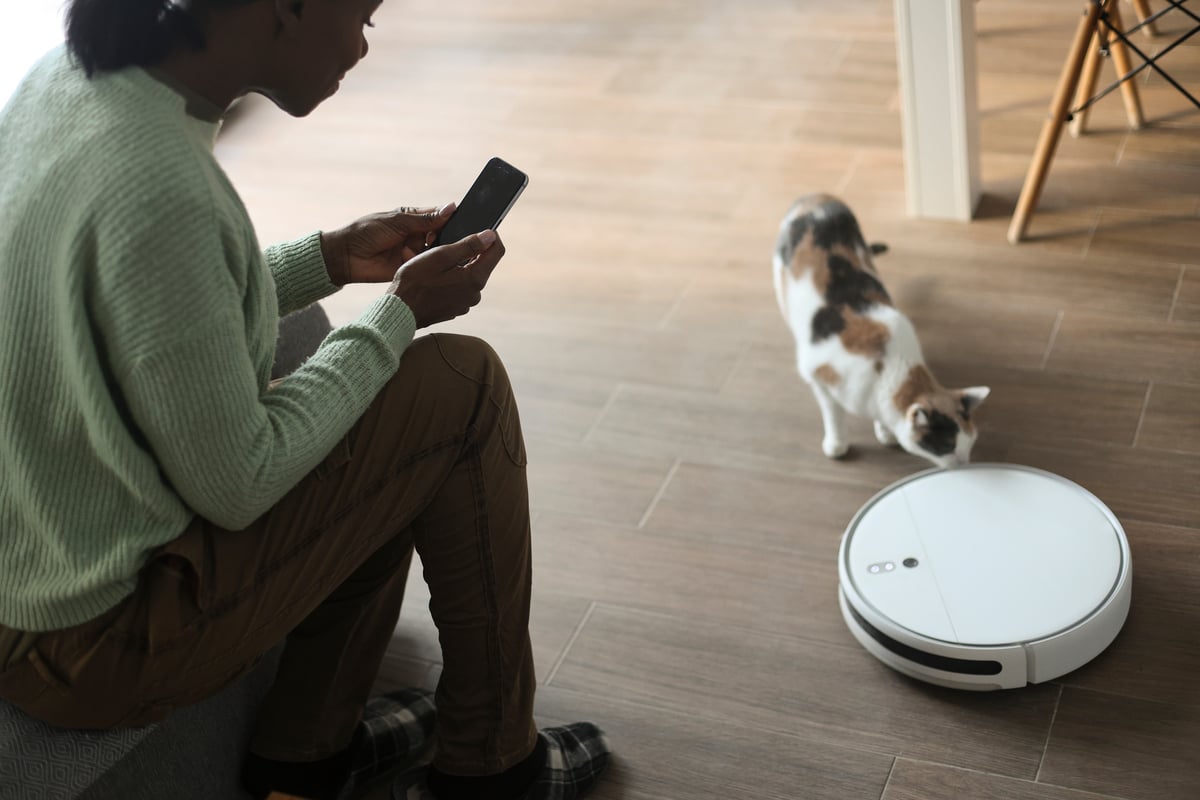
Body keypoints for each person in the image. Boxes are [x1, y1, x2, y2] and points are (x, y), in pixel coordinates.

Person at [0, 1, 611, 798]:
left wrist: (328, 257)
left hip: (34, 573)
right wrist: (401, 313)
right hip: (98, 640)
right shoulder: (162, 184)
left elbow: (153, 302)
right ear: (283, 8)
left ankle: (307, 758)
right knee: (459, 388)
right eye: (362, 16)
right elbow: (244, 479)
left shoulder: (70, 80)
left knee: (382, 404)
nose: (361, 45)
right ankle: (495, 771)